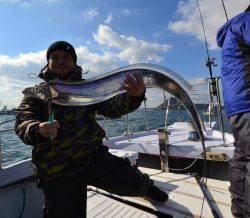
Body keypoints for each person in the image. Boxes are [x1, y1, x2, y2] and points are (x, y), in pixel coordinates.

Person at [15, 41, 168, 218]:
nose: (60, 61)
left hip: (94, 157)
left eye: (66, 57)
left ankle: (146, 188)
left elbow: (113, 107)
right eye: (55, 57)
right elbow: (22, 123)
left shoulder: (89, 87)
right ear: (48, 62)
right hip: (56, 169)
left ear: (74, 62)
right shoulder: (37, 93)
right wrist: (36, 129)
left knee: (134, 181)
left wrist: (134, 97)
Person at [217, 3, 250, 217]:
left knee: (242, 157)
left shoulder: (233, 27)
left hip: (236, 106)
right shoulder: (245, 22)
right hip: (247, 100)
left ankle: (240, 210)